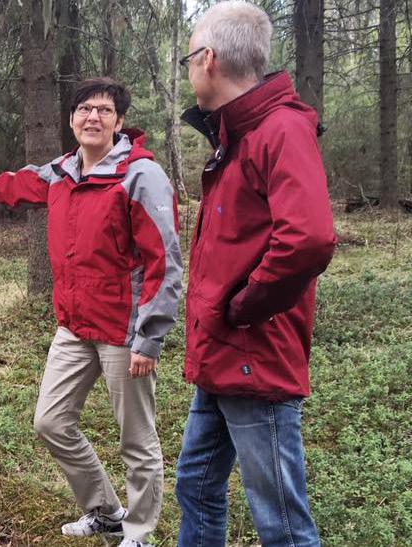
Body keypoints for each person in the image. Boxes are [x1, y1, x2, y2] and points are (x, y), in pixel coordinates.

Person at [0, 77, 182, 547]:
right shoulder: (61, 171)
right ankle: (106, 510)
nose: (93, 117)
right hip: (74, 325)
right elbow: (10, 186)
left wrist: (149, 337)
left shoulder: (139, 175)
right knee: (50, 421)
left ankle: (139, 533)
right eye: (85, 109)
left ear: (120, 122)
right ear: (71, 119)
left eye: (104, 111)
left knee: (136, 438)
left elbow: (165, 262)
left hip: (123, 330)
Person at [175, 3, 336, 546]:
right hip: (222, 353)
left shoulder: (280, 129)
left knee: (281, 523)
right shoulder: (236, 135)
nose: (189, 70)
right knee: (195, 486)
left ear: (209, 59)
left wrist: (245, 307)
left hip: (254, 357)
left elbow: (309, 238)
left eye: (188, 58)